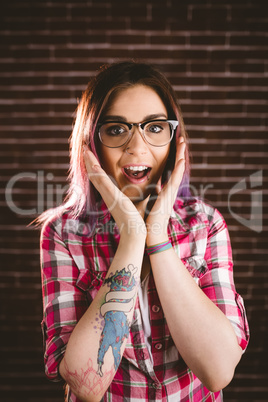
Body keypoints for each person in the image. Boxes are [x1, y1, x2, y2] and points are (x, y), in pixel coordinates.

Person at [39, 61, 249, 402]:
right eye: (117, 129)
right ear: (91, 144)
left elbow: (218, 371)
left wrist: (158, 239)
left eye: (154, 127)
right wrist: (133, 237)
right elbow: (87, 386)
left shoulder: (205, 224)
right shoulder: (63, 233)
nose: (137, 148)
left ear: (175, 139)